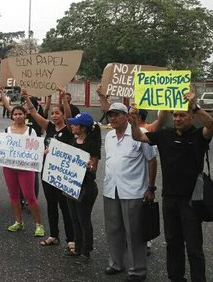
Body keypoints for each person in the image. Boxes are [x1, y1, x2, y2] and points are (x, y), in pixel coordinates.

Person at [130, 88, 213, 282]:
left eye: (182, 115)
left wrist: (196, 106)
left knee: (193, 246)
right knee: (173, 243)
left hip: (192, 200)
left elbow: (211, 125)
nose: (177, 118)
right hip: (169, 199)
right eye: (175, 115)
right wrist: (133, 123)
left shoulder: (199, 135)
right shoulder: (165, 135)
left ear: (191, 118)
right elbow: (138, 137)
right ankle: (176, 278)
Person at [103, 102, 157, 282]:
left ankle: (137, 270)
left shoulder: (140, 135)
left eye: (117, 114)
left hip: (133, 191)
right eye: (110, 115)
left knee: (134, 233)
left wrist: (151, 187)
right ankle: (116, 263)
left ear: (127, 116)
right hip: (111, 189)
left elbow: (151, 160)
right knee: (113, 230)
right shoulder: (109, 135)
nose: (113, 118)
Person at [25, 88, 76, 249]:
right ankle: (54, 235)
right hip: (47, 172)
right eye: (52, 113)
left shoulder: (69, 129)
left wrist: (64, 100)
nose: (54, 115)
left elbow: (70, 116)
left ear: (63, 115)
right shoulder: (49, 127)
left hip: (62, 174)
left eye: (57, 113)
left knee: (65, 207)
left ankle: (71, 239)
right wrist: (27, 97)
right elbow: (34, 113)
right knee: (51, 205)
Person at [0, 101, 45, 237]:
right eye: (15, 114)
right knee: (13, 195)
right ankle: (18, 221)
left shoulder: (31, 131)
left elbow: (37, 148)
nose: (18, 116)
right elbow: (1, 147)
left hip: (26, 168)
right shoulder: (7, 131)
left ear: (25, 116)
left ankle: (38, 224)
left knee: (30, 196)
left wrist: (43, 151)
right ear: (12, 116)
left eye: (20, 114)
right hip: (9, 167)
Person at [65, 112, 101, 264]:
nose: (72, 126)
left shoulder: (92, 144)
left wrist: (88, 166)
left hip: (85, 187)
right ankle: (78, 247)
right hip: (72, 185)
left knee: (83, 219)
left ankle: (86, 251)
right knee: (74, 218)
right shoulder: (74, 140)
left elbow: (93, 168)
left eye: (75, 124)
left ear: (84, 128)